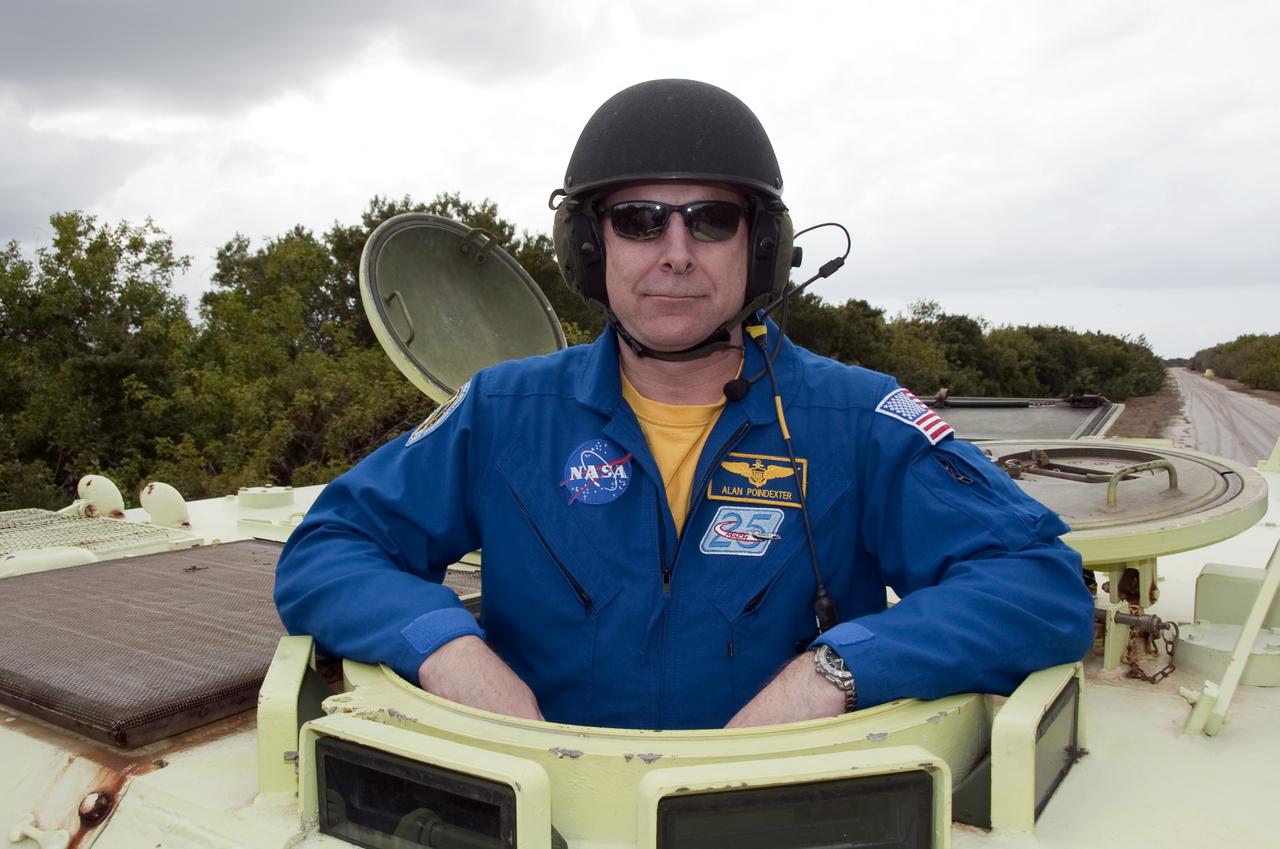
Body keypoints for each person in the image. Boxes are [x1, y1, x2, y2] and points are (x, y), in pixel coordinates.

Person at [274, 79, 1095, 730]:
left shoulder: (860, 419)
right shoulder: (503, 410)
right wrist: (444, 645)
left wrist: (835, 670)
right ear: (593, 247)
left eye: (710, 220)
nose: (674, 255)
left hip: (775, 816)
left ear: (760, 245)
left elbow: (1039, 584)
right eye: (637, 221)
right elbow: (331, 548)